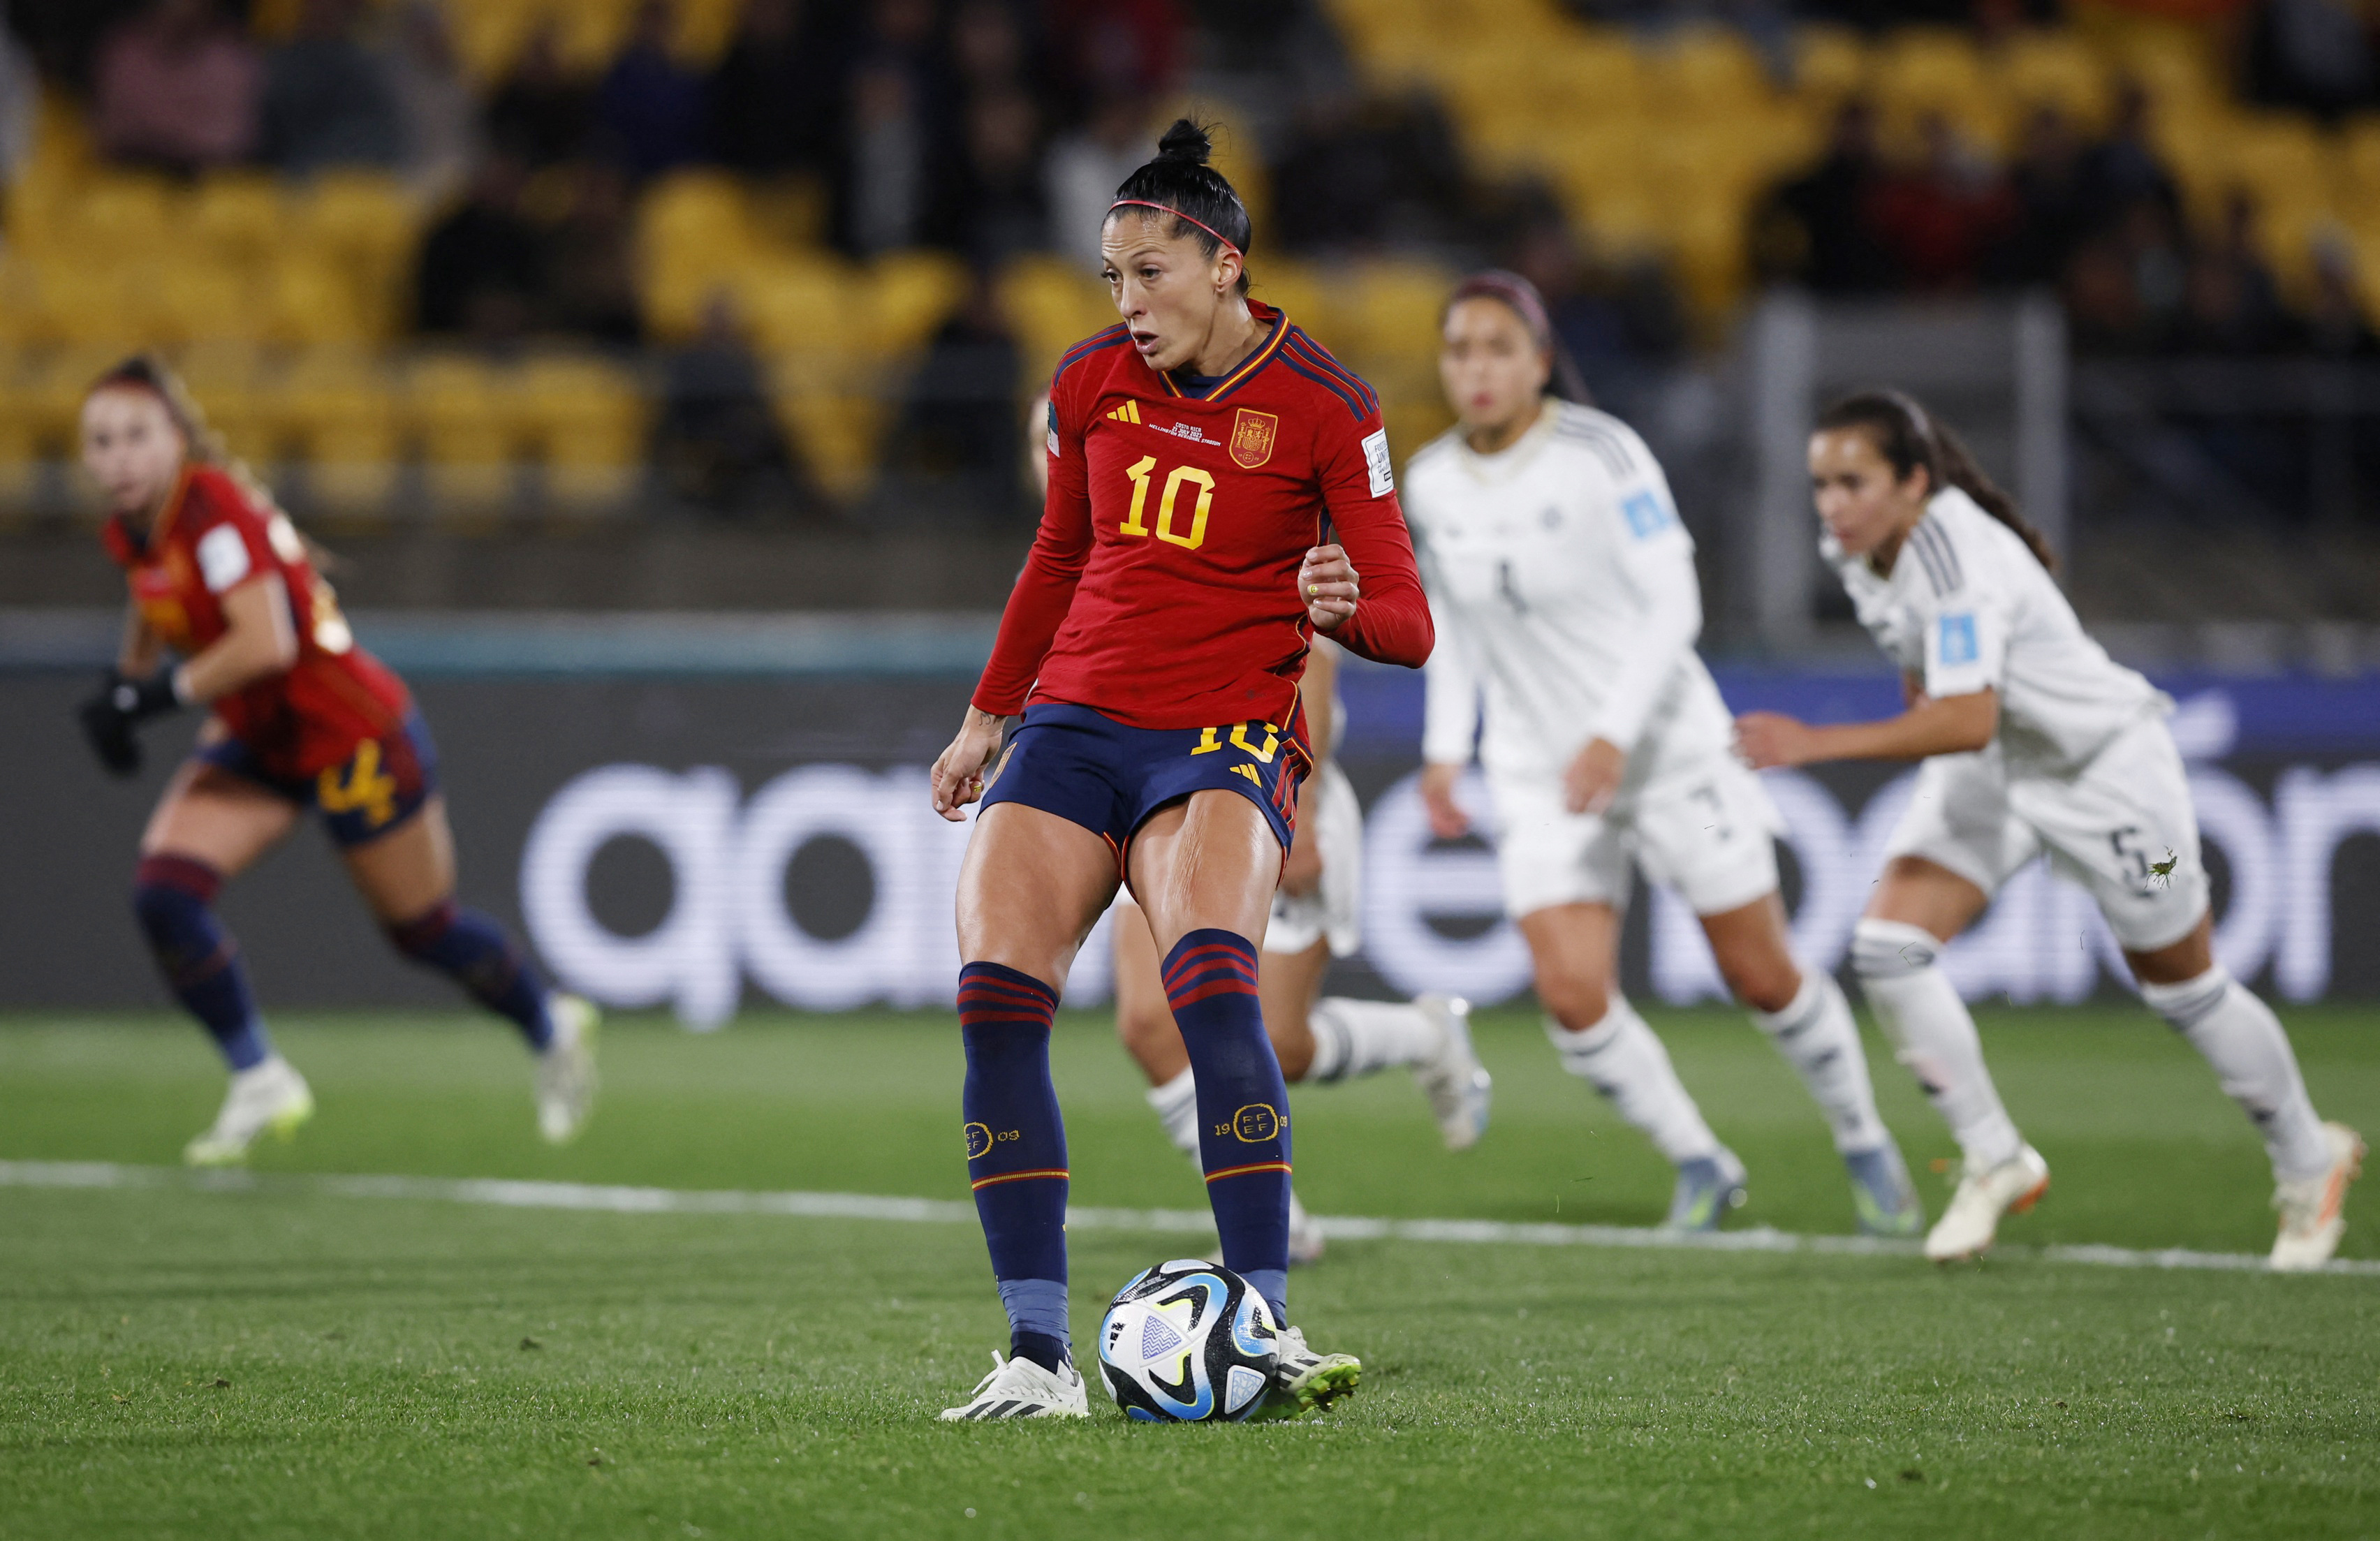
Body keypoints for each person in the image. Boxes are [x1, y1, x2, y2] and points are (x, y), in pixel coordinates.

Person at [926, 120, 1431, 1421]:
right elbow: (1055, 559)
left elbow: (1407, 622)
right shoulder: (1091, 381)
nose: (1126, 302)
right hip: (1073, 723)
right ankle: (1036, 1359)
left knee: (1214, 996)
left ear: (1222, 262)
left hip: (1225, 735)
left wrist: (1342, 605)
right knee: (993, 1000)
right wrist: (988, 719)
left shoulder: (1328, 405)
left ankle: (1259, 1322)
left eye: (1148, 273)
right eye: (1110, 276)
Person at [1734, 390, 2364, 1270]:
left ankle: (2311, 1159)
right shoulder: (1862, 549)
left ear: (1914, 482)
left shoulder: (1955, 557)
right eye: (1820, 484)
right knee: (1888, 948)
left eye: (1852, 482)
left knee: (2185, 986)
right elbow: (1940, 692)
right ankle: (1994, 1157)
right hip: (1997, 776)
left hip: (2115, 782)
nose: (1831, 504)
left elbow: (1966, 718)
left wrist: (1816, 742)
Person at [1408, 272, 1923, 1237]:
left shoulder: (1604, 455)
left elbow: (1674, 603)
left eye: (1496, 348)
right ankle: (1701, 1161)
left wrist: (1613, 732)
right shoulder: (1431, 480)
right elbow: (1456, 626)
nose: (1475, 368)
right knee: (1571, 994)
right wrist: (1447, 749)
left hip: (1667, 749)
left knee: (1763, 974)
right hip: (1539, 769)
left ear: (1540, 360)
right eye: (1459, 350)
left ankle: (1861, 1135)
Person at [73, 356, 597, 1167]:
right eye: (101, 442)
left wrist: (151, 698)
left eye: (135, 436)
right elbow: (152, 594)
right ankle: (259, 1076)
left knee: (423, 930)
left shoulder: (212, 510)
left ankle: (547, 1024)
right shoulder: (140, 527)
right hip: (264, 733)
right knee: (165, 892)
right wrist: (125, 683)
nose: (118, 458)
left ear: (176, 438)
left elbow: (266, 639)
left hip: (353, 733)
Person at [1110, 635, 1492, 1265]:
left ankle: (1427, 1037)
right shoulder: (1091, 537)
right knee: (1150, 1025)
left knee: (1276, 1045)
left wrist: (1301, 804)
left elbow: (1312, 654)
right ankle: (1280, 1225)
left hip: (1258, 784)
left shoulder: (1260, 536)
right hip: (1154, 788)